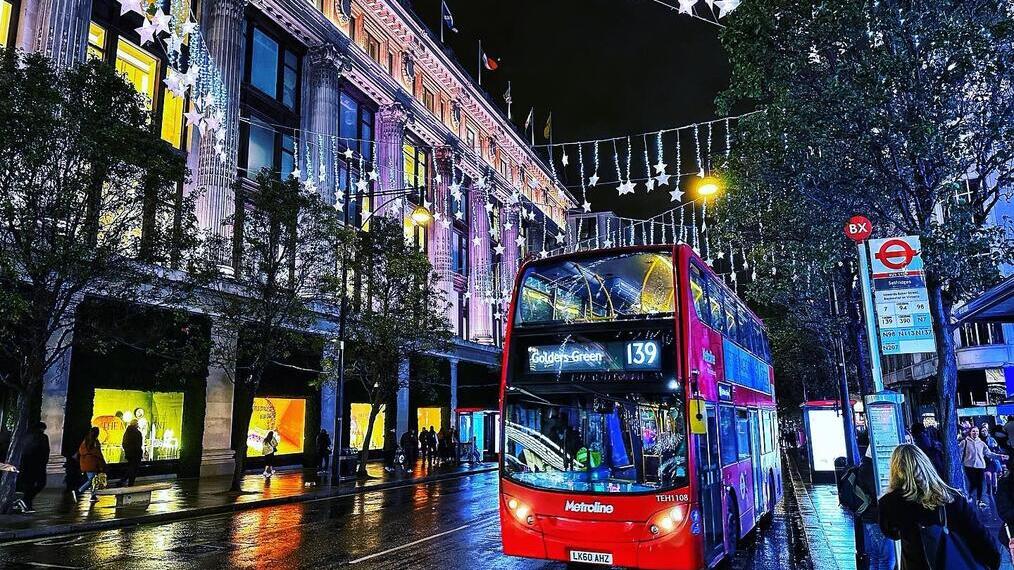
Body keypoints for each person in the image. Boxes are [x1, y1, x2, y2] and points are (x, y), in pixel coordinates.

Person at [879, 444, 1001, 570]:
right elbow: (976, 533)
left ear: (896, 470)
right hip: (955, 562)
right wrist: (992, 560)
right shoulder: (951, 498)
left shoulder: (890, 502)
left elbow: (890, 533)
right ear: (926, 464)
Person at [855, 447, 895, 570]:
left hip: (871, 517)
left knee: (876, 556)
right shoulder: (870, 469)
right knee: (887, 559)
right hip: (876, 517)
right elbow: (877, 494)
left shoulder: (865, 467)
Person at [961, 426, 1005, 508]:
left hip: (980, 465)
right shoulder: (965, 442)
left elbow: (989, 454)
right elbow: (959, 453)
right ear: (970, 432)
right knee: (973, 483)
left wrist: (999, 456)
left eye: (977, 431)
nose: (975, 433)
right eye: (973, 431)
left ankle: (979, 500)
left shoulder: (981, 443)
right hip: (969, 466)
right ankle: (969, 496)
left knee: (980, 484)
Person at [15, 423, 49, 513]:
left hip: (27, 464)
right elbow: (45, 451)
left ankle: (26, 502)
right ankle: (26, 501)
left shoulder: (26, 437)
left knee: (29, 484)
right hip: (38, 464)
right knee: (40, 483)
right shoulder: (42, 437)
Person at [75, 427, 105, 502]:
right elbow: (98, 453)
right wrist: (101, 463)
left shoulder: (86, 441)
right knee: (92, 480)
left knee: (92, 480)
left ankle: (93, 495)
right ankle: (79, 491)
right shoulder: (94, 442)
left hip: (86, 463)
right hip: (92, 464)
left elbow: (82, 451)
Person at [981, 423, 1005, 499]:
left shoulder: (992, 439)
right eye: (982, 431)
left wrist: (995, 449)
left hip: (993, 459)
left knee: (994, 475)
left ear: (987, 431)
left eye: (985, 430)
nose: (984, 432)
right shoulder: (979, 440)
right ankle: (989, 488)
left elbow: (997, 449)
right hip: (985, 460)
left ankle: (994, 489)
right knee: (987, 475)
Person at [120, 419, 143, 487]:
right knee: (134, 469)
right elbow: (139, 444)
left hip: (129, 454)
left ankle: (126, 481)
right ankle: (128, 482)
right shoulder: (137, 433)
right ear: (136, 424)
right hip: (136, 454)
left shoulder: (127, 433)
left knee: (131, 467)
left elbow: (123, 443)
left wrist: (127, 450)